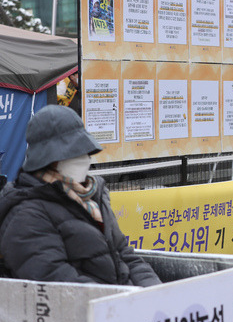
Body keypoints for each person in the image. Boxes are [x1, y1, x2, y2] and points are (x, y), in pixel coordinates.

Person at [0, 105, 162, 286]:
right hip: (93, 309)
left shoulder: (94, 197)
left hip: (122, 304)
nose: (85, 159)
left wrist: (155, 295)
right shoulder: (26, 215)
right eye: (73, 152)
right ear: (49, 160)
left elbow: (125, 254)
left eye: (85, 151)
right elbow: (59, 282)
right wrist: (122, 303)